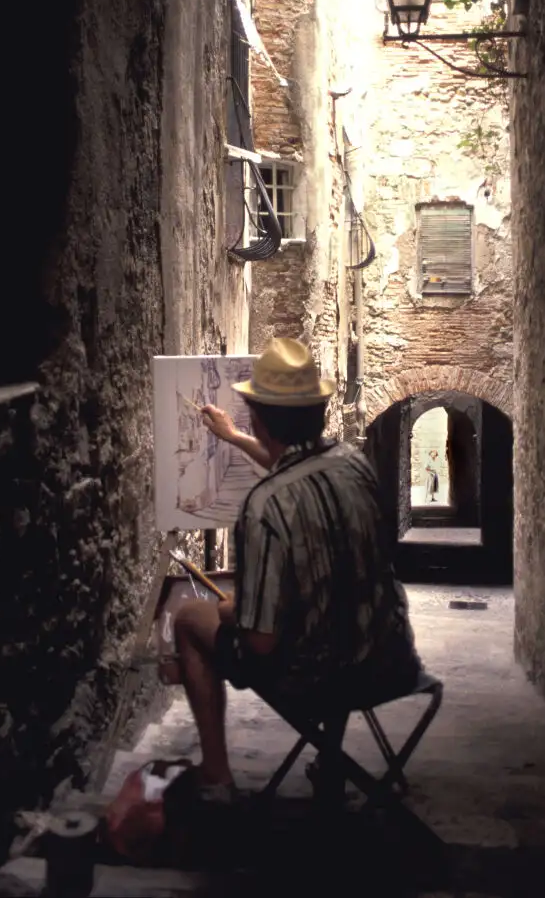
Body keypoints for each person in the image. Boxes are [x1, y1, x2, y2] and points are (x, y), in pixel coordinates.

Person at [158, 337, 421, 803]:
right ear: (317, 413)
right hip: (388, 657)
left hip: (315, 676)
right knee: (335, 613)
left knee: (188, 620)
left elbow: (261, 641)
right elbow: (293, 465)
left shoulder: (265, 506)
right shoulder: (352, 464)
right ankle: (330, 759)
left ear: (258, 417)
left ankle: (216, 775)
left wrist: (230, 611)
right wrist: (235, 439)